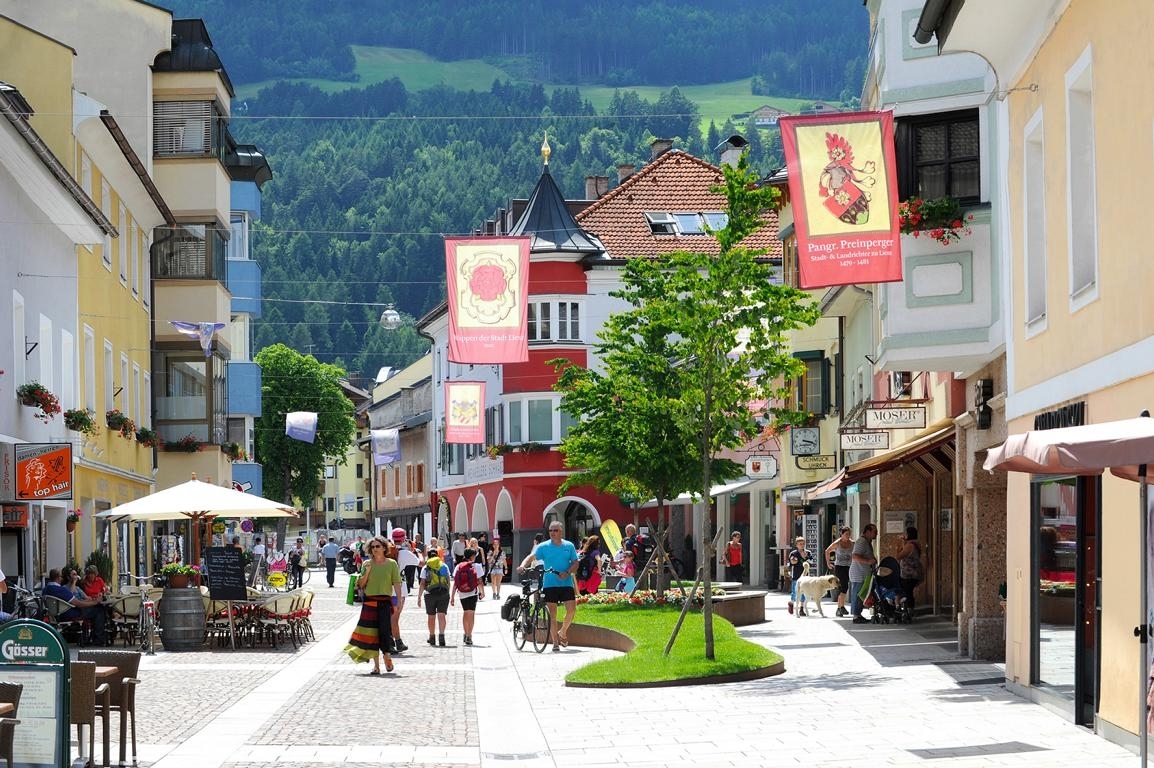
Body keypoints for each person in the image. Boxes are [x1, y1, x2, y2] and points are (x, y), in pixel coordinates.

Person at [343, 536, 403, 674]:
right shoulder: (367, 564)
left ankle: (387, 655)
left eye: (377, 546)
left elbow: (397, 584)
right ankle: (376, 666)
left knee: (384, 631)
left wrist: (398, 601)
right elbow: (361, 585)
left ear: (384, 548)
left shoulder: (392, 564)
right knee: (371, 634)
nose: (375, 549)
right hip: (370, 601)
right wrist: (367, 572)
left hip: (384, 602)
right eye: (373, 547)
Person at [536, 522, 579, 652]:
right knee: (552, 615)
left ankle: (563, 632)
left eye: (555, 530)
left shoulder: (569, 546)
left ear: (561, 531)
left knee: (571, 610)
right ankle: (555, 643)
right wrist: (522, 565)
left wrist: (567, 573)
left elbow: (575, 563)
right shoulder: (543, 546)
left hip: (566, 584)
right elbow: (532, 556)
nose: (552, 532)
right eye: (550, 530)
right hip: (550, 584)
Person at [44, 568, 106, 645]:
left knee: (95, 609)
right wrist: (95, 602)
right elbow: (78, 603)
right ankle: (99, 640)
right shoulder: (61, 590)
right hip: (68, 614)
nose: (62, 578)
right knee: (99, 610)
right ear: (58, 578)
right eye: (61, 577)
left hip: (54, 615)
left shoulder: (45, 589)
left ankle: (90, 638)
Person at [391, 527, 419, 653]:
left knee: (388, 617)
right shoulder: (405, 553)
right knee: (395, 617)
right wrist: (415, 551)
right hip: (399, 589)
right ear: (404, 539)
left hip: (384, 588)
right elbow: (421, 563)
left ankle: (391, 641)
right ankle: (396, 642)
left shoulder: (384, 551)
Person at [417, 550, 451, 647]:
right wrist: (447, 592)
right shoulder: (444, 566)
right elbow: (448, 580)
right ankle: (442, 637)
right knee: (442, 615)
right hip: (443, 593)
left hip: (429, 594)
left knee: (431, 616)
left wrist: (419, 597)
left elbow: (422, 583)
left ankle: (432, 637)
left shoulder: (426, 567)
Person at [450, 548, 481, 646]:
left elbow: (455, 582)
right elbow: (479, 581)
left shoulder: (459, 566)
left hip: (462, 593)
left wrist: (452, 596)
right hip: (473, 592)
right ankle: (469, 635)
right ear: (472, 556)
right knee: (471, 614)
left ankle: (465, 632)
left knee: (465, 612)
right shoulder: (476, 566)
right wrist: (482, 592)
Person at [850, 523, 878, 624]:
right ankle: (856, 616)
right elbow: (854, 556)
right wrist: (868, 561)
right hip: (859, 573)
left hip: (863, 572)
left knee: (861, 594)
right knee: (859, 594)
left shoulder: (867, 542)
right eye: (875, 532)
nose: (877, 534)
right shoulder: (862, 542)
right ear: (868, 531)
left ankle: (858, 614)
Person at [825, 526, 854, 617]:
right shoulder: (837, 543)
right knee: (843, 587)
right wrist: (828, 563)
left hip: (849, 566)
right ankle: (839, 608)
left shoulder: (853, 543)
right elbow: (827, 551)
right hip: (839, 567)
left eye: (849, 534)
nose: (848, 536)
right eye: (846, 534)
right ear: (842, 534)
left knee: (846, 586)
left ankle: (842, 606)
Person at [896, 526, 924, 612]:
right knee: (908, 591)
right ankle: (908, 609)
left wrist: (899, 544)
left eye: (905, 533)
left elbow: (899, 556)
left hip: (909, 573)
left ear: (908, 534)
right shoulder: (915, 543)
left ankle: (908, 609)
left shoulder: (910, 545)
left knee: (907, 591)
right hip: (914, 572)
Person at [787, 536, 813, 617]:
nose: (802, 545)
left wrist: (805, 557)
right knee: (795, 593)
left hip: (805, 577)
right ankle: (791, 603)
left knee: (804, 593)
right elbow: (792, 562)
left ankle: (801, 608)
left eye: (803, 544)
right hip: (796, 576)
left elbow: (811, 562)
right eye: (800, 544)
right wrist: (794, 560)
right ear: (797, 545)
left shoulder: (808, 553)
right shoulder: (793, 553)